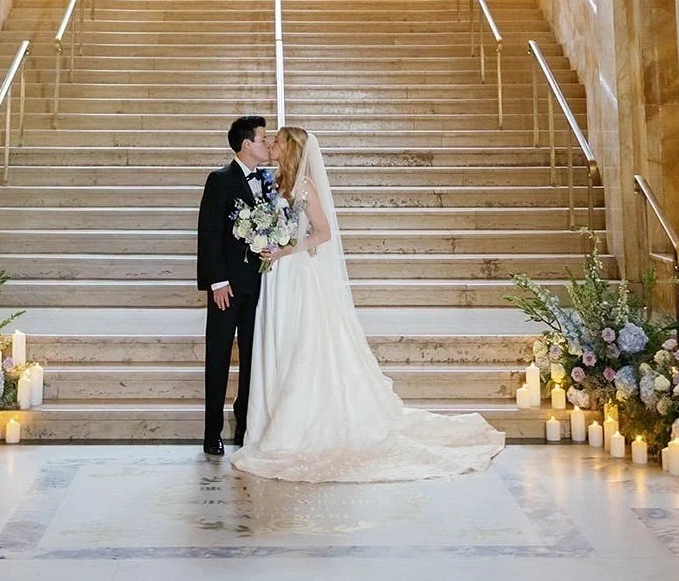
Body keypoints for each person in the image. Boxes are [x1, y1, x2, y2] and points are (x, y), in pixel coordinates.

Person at [233, 126, 505, 482]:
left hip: (297, 274)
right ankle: (270, 418)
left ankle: (298, 421)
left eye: (279, 140)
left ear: (292, 149)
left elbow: (323, 232)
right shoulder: (274, 183)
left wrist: (284, 249)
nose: (272, 144)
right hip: (277, 278)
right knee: (279, 345)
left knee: (303, 344)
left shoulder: (305, 186)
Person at [196, 114, 271, 456]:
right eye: (263, 140)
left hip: (260, 287)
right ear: (246, 145)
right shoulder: (220, 179)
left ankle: (245, 426)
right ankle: (212, 433)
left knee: (254, 359)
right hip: (226, 288)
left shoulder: (268, 181)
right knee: (219, 357)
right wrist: (217, 281)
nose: (268, 145)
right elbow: (209, 234)